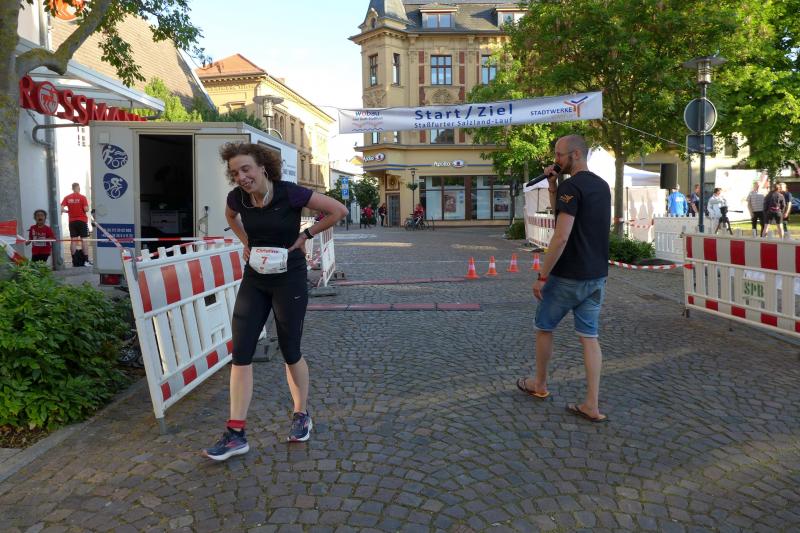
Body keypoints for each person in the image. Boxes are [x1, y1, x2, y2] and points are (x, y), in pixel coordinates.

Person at [202, 142, 347, 461]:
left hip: (289, 278)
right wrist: (246, 242)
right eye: (235, 172)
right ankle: (236, 433)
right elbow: (230, 217)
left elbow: (338, 210)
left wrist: (305, 236)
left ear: (262, 167)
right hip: (255, 277)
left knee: (290, 349)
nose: (241, 177)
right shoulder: (237, 198)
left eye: (246, 169)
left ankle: (301, 414)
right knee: (241, 352)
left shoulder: (290, 193)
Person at [515, 134, 610, 422]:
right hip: (596, 275)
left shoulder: (573, 186)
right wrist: (553, 186)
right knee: (589, 337)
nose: (555, 160)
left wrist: (542, 276)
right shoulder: (601, 186)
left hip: (569, 274)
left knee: (544, 326)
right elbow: (564, 214)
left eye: (559, 154)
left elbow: (561, 235)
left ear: (576, 154)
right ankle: (592, 404)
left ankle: (539, 384)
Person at [60, 182, 90, 266]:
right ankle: (86, 261)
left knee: (73, 240)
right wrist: (86, 208)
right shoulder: (82, 197)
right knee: (84, 240)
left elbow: (61, 208)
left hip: (72, 221)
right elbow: (86, 209)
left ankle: (74, 261)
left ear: (72, 188)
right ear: (78, 188)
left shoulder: (67, 197)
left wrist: (67, 211)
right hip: (82, 221)